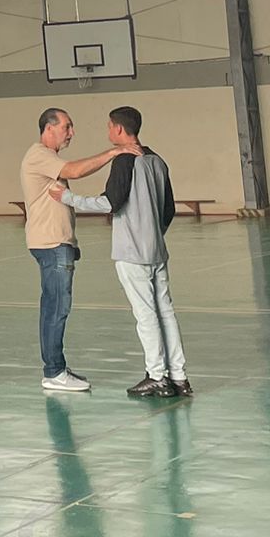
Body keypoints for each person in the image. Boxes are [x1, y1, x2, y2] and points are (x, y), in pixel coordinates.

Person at [50, 106, 191, 398]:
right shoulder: (157, 160)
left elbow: (109, 203)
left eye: (108, 126)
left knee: (146, 315)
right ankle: (179, 376)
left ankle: (156, 376)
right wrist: (153, 235)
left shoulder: (125, 160)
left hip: (131, 253)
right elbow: (169, 210)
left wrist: (67, 198)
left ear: (118, 129)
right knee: (166, 312)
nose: (108, 131)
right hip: (157, 252)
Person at [21, 107, 138, 392]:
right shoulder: (39, 155)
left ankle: (55, 367)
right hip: (50, 244)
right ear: (49, 129)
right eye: (67, 127)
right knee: (57, 308)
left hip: (57, 243)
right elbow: (74, 170)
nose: (71, 133)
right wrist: (114, 153)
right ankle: (54, 372)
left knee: (54, 307)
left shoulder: (48, 158)